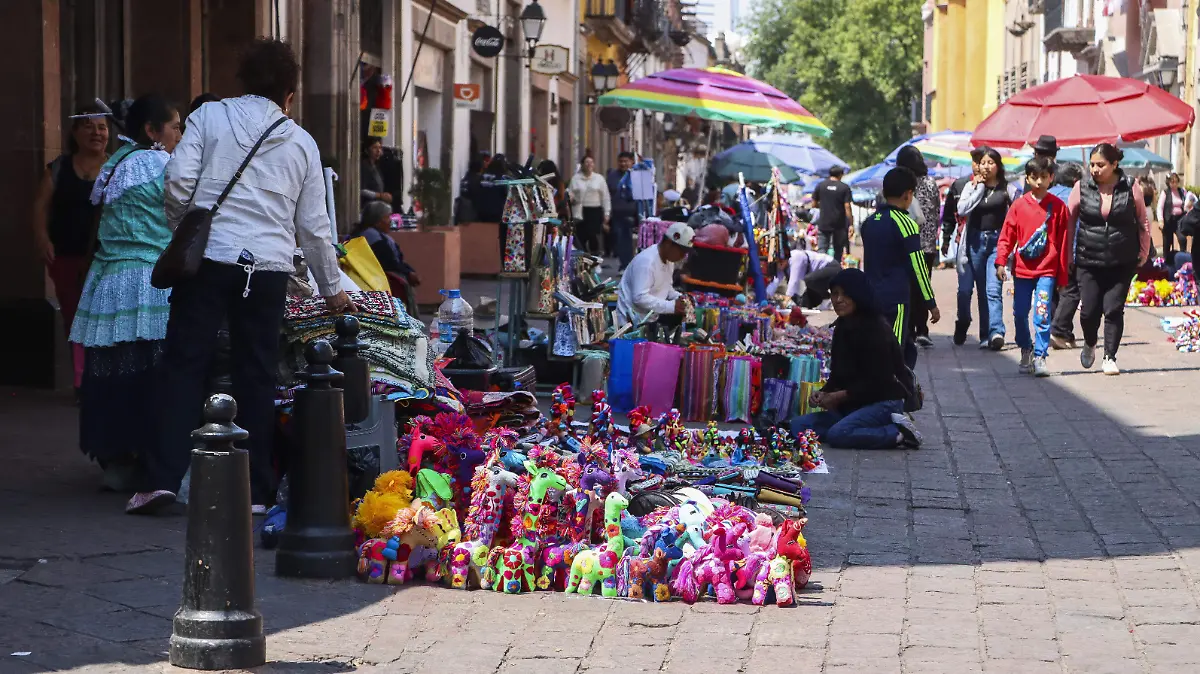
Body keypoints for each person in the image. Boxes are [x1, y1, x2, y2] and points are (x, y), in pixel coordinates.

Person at [144, 38, 354, 515]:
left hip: (210, 261)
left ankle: (161, 480)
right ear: (289, 94)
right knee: (255, 374)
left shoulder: (209, 117)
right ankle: (257, 492)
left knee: (183, 366)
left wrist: (189, 231)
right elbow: (315, 227)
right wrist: (332, 289)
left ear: (242, 80)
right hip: (267, 269)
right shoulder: (301, 142)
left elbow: (177, 181)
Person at [68, 95, 180, 493]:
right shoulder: (162, 164)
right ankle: (151, 463)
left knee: (111, 372)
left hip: (110, 282)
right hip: (149, 282)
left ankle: (115, 461)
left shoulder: (114, 165)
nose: (179, 135)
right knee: (151, 375)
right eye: (175, 127)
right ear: (152, 131)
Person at [788, 268, 922, 449]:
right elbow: (838, 374)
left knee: (838, 434)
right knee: (796, 426)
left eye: (845, 294)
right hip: (854, 403)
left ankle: (897, 433)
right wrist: (824, 393)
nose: (838, 300)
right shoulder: (842, 327)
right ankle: (858, 427)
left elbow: (877, 383)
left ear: (858, 295)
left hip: (883, 401)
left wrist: (837, 397)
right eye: (834, 294)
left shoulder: (875, 329)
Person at [32, 105, 111, 396]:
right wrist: (42, 237)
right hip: (65, 255)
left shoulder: (117, 167)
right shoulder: (60, 168)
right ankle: (81, 380)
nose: (96, 132)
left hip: (105, 258)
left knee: (100, 316)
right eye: (88, 126)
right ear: (75, 133)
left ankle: (97, 376)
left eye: (102, 127)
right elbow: (41, 205)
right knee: (75, 317)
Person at [1067, 143, 1151, 375]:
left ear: (1114, 165)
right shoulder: (1081, 187)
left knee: (1114, 309)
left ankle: (1110, 357)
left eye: (1100, 165)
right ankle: (1090, 342)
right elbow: (1070, 222)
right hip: (1088, 259)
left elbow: (1143, 221)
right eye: (1092, 164)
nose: (1094, 169)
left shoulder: (1131, 187)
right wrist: (1067, 255)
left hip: (1121, 259)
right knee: (1088, 311)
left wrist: (1143, 251)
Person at [993, 156, 1072, 377]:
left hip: (1047, 269)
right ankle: (1025, 348)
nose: (1039, 182)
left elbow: (1065, 243)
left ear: (1051, 178)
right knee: (1019, 313)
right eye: (1034, 177)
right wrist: (1001, 261)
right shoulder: (1018, 206)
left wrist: (1063, 276)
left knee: (1042, 312)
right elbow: (1007, 236)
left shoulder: (1059, 207)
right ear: (1027, 178)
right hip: (1023, 270)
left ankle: (1040, 356)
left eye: (1044, 177)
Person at [859, 167, 939, 371]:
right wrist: (930, 303)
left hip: (870, 297)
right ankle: (891, 393)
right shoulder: (906, 224)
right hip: (896, 301)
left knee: (877, 346)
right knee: (894, 348)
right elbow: (919, 267)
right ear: (908, 194)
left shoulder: (869, 223)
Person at [954, 146, 1018, 349]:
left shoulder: (1008, 189)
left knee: (992, 289)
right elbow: (962, 209)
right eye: (983, 162)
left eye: (991, 162)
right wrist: (979, 188)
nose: (987, 166)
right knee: (979, 290)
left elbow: (1017, 216)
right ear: (978, 165)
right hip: (974, 242)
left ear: (998, 166)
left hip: (997, 242)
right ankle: (984, 334)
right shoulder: (971, 187)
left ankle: (996, 332)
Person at [895, 145, 940, 348]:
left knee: (907, 286)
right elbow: (936, 210)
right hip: (927, 245)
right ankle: (922, 329)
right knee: (923, 285)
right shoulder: (931, 184)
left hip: (906, 242)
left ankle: (908, 329)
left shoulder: (901, 184)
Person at [615, 222, 693, 325]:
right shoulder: (647, 262)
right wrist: (671, 306)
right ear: (668, 243)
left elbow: (666, 288)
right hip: (629, 323)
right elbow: (639, 298)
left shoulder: (669, 261)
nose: (683, 256)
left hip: (649, 319)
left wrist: (680, 298)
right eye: (681, 251)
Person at [353, 201, 419, 318]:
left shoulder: (380, 236)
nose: (390, 221)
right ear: (377, 220)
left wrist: (409, 270)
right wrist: (408, 273)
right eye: (387, 217)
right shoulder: (372, 237)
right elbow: (388, 263)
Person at [1049, 162, 1085, 350]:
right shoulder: (1075, 196)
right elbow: (1076, 228)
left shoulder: (1047, 195)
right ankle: (1059, 330)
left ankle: (1063, 334)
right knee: (1072, 291)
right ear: (1075, 180)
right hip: (1067, 250)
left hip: (1046, 252)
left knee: (1054, 291)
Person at [568, 155, 610, 254]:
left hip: (595, 210)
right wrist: (571, 199)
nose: (589, 164)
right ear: (582, 164)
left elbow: (605, 197)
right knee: (581, 236)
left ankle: (595, 257)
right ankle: (582, 258)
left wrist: (607, 212)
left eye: (591, 162)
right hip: (580, 210)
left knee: (593, 236)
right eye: (586, 162)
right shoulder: (576, 179)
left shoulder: (599, 178)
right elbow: (570, 194)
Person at [811, 166, 853, 262]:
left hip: (824, 222)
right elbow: (847, 207)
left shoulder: (820, 186)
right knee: (838, 251)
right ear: (841, 175)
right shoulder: (844, 187)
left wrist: (824, 207)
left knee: (822, 250)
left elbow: (813, 204)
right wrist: (851, 224)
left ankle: (821, 271)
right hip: (839, 223)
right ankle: (835, 272)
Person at [608, 151, 639, 269]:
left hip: (633, 212)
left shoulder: (636, 176)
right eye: (621, 161)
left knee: (630, 239)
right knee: (620, 238)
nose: (623, 164)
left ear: (632, 162)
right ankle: (624, 264)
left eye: (626, 161)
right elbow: (608, 193)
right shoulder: (612, 176)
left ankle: (629, 264)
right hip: (617, 213)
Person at [787, 241, 840, 309]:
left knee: (809, 280)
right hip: (818, 276)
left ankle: (828, 299)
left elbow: (794, 282)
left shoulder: (796, 257)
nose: (779, 265)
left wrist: (788, 298)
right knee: (804, 303)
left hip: (833, 268)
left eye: (781, 262)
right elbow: (777, 280)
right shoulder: (784, 265)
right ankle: (821, 301)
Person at [1158, 173, 1195, 266]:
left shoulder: (1182, 191)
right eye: (1172, 182)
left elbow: (1190, 200)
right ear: (1168, 182)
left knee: (1182, 239)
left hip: (1180, 219)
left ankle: (1183, 262)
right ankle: (1167, 263)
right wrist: (1160, 220)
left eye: (1176, 181)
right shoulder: (1165, 192)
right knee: (1167, 243)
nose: (1174, 184)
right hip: (1169, 220)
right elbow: (1160, 207)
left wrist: (1190, 204)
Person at [360, 135, 391, 211]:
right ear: (367, 150)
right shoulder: (364, 166)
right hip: (367, 206)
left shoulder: (377, 166)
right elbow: (361, 190)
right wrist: (379, 195)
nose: (378, 151)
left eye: (380, 148)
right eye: (374, 147)